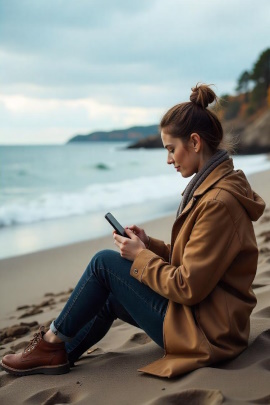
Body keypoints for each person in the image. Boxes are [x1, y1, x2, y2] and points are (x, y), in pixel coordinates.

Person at [1, 84, 265, 378]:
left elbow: (187, 287)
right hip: (209, 320)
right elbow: (194, 263)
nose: (168, 160)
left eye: (171, 149)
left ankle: (50, 344)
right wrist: (148, 244)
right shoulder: (211, 188)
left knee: (104, 263)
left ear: (194, 142)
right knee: (108, 293)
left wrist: (140, 257)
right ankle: (57, 354)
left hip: (208, 333)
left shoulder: (218, 202)